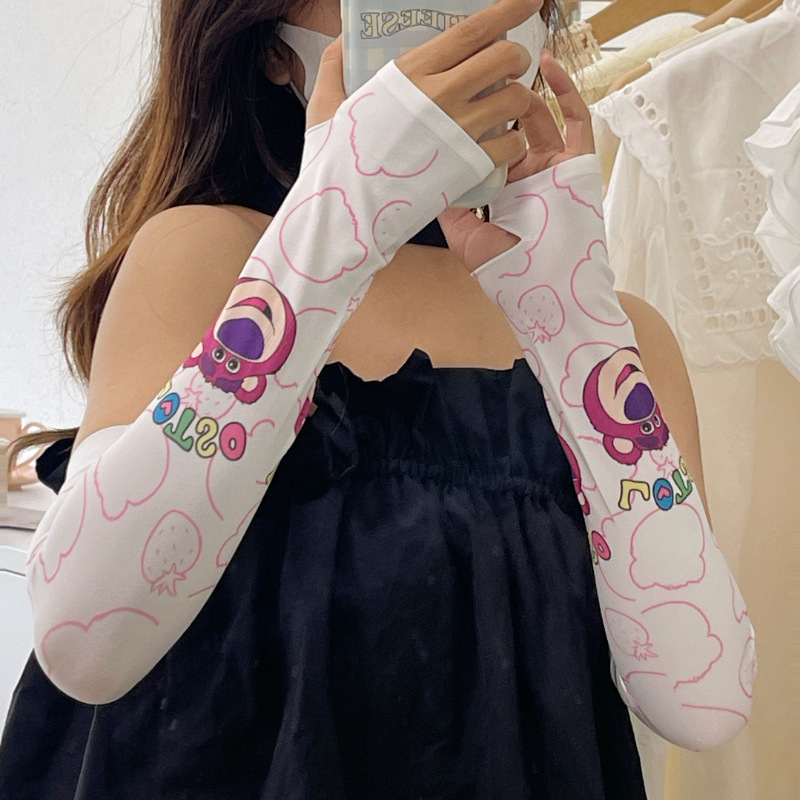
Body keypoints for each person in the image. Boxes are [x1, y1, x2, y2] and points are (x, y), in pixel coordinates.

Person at [0, 0, 755, 797]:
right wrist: (332, 231)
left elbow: (702, 703)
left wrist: (576, 327)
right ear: (272, 48)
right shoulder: (203, 254)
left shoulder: (618, 336)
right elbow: (84, 644)